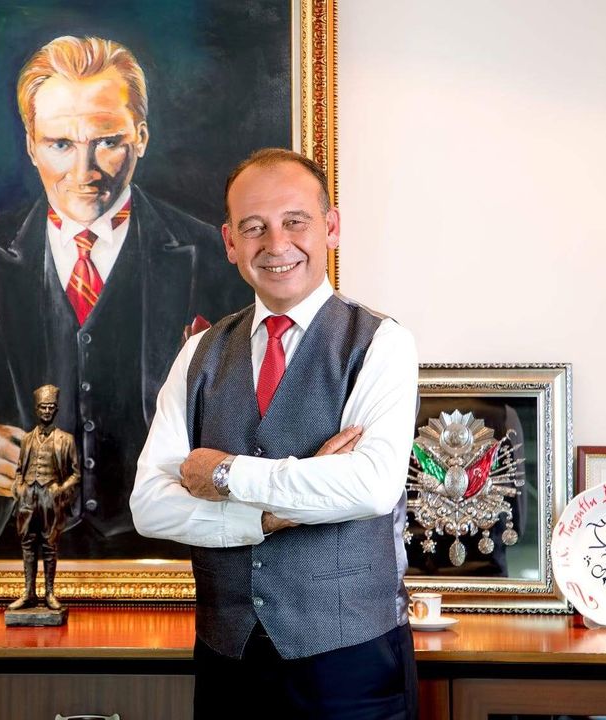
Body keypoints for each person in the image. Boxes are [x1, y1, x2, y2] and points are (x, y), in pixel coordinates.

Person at [0, 35, 252, 560]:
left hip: (173, 550)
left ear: (141, 137)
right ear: (30, 145)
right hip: (12, 548)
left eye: (107, 141)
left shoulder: (211, 257)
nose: (84, 172)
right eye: (60, 144)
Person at [130, 148, 420, 719]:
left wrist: (222, 473)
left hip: (351, 665)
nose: (276, 244)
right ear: (230, 242)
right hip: (227, 663)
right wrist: (267, 517)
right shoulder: (199, 353)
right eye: (254, 227)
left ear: (330, 228)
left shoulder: (382, 343)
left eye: (295, 221)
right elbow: (149, 507)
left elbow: (370, 487)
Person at [7, 385, 80, 611]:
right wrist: (19, 486)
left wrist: (60, 489)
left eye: (50, 407)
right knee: (28, 544)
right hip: (28, 497)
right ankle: (29, 593)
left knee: (50, 545)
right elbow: (20, 469)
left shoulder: (66, 439)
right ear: (36, 409)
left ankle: (49, 593)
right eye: (43, 407)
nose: (47, 411)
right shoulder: (27, 439)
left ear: (56, 409)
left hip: (50, 497)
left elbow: (76, 474)